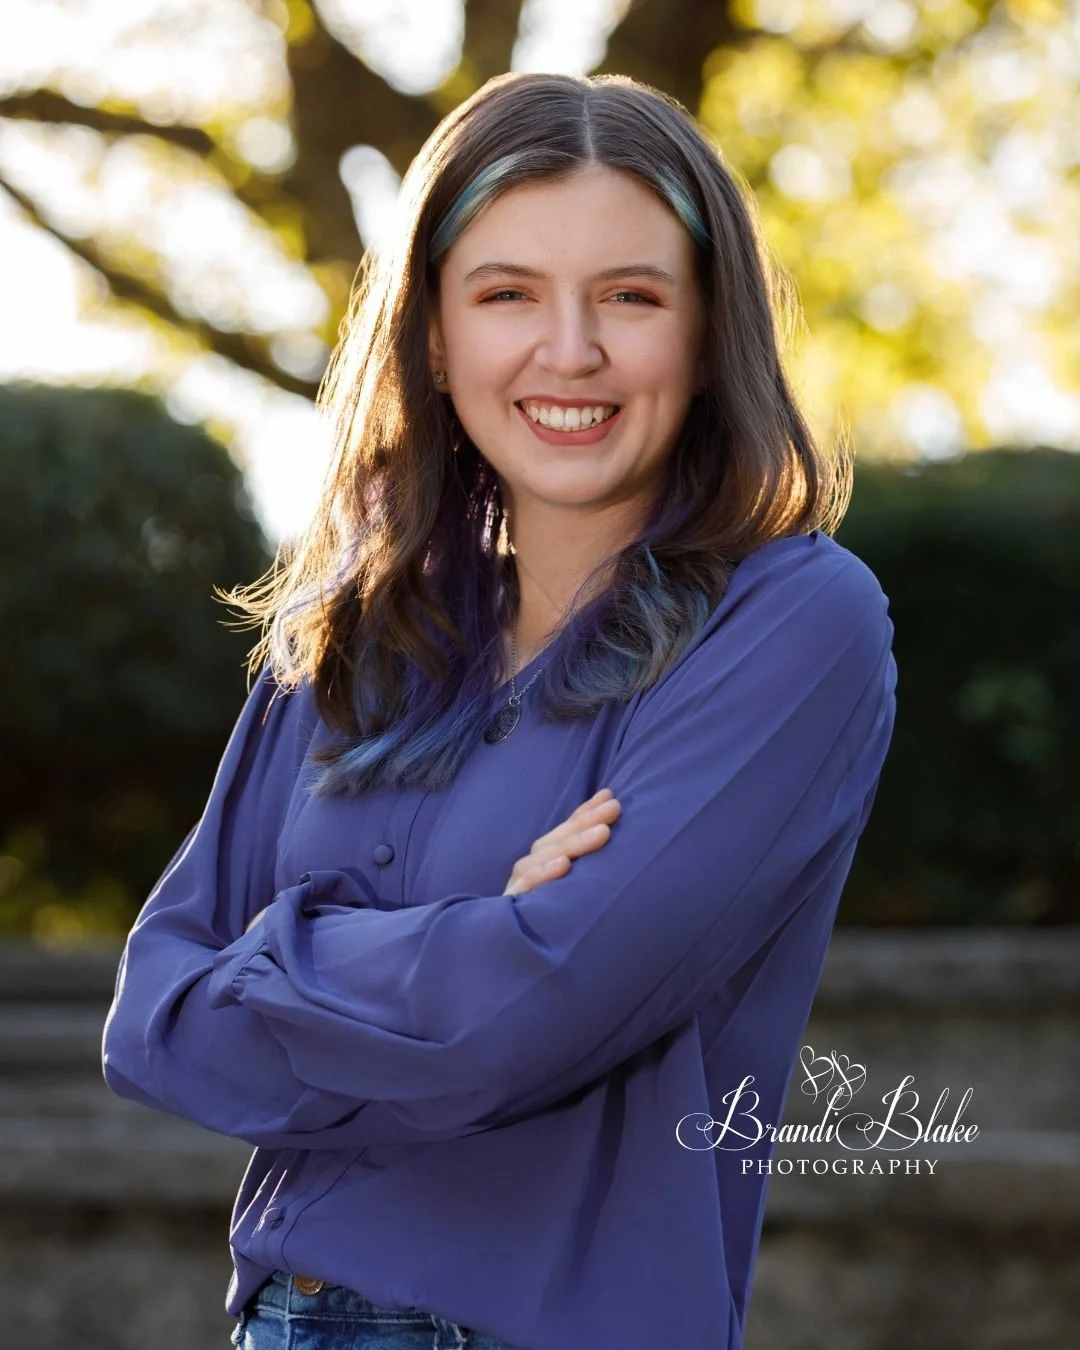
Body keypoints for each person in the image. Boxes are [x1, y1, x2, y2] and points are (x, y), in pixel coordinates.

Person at [102, 70, 897, 1350]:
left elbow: (534, 1020)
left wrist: (279, 970)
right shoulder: (350, 635)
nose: (568, 351)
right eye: (507, 293)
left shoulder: (797, 622)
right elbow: (153, 1020)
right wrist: (485, 933)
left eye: (630, 297)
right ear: (434, 334)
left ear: (706, 334)